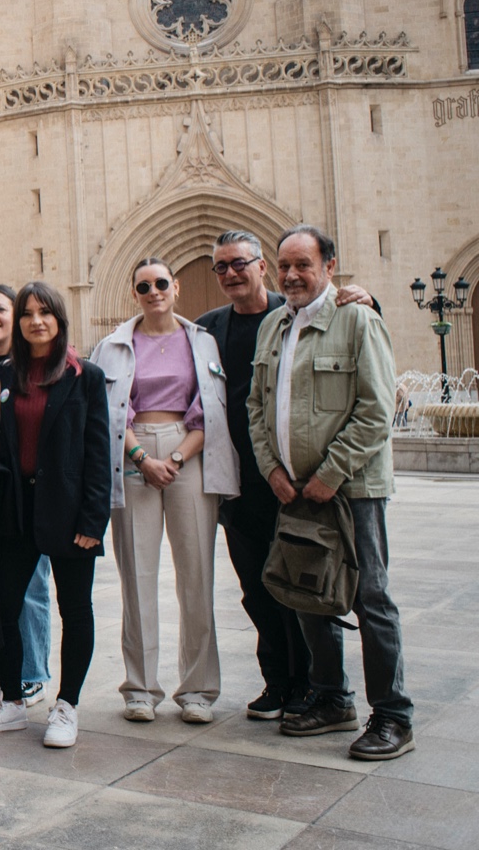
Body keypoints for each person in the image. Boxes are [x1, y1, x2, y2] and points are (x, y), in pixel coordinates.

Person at [197, 230, 384, 720]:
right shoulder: (212, 328)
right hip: (250, 480)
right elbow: (252, 404)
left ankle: (327, 692)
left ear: (261, 266)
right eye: (220, 266)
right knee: (263, 587)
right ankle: (283, 682)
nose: (231, 273)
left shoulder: (313, 312)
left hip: (316, 485)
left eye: (241, 263)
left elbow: (371, 391)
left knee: (324, 589)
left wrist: (370, 298)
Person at [248, 225, 411, 760]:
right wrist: (273, 469)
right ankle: (332, 698)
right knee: (307, 592)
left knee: (371, 598)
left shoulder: (357, 319)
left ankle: (391, 715)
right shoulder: (275, 325)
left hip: (351, 491)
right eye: (285, 266)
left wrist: (331, 475)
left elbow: (375, 409)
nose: (292, 275)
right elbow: (257, 406)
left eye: (303, 264)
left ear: (329, 266)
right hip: (293, 491)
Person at [0, 282, 110, 749]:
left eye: (45, 313)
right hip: (16, 512)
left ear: (59, 320)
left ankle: (67, 705)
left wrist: (92, 521)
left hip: (66, 513)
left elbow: (98, 454)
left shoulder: (85, 377)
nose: (35, 321)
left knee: (75, 610)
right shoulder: (5, 377)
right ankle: (11, 702)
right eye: (28, 313)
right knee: (3, 608)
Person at [92, 259, 239, 723]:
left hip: (188, 454)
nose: (153, 291)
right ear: (134, 293)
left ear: (175, 288)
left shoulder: (201, 340)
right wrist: (142, 459)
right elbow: (108, 413)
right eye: (143, 286)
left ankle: (197, 689)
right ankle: (140, 687)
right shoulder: (112, 346)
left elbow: (211, 411)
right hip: (132, 454)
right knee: (137, 576)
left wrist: (174, 459)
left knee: (196, 574)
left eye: (160, 283)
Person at [0, 284, 52, 707]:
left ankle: (33, 671)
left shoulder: (28, 365)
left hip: (26, 490)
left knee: (32, 585)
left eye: (0, 308)